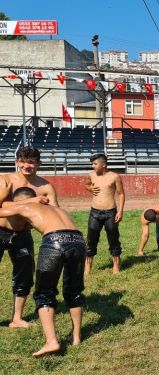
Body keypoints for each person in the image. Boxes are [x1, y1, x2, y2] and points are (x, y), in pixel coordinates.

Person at [0, 187, 86, 357]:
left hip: (54, 241)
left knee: (44, 293)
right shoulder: (56, 209)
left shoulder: (26, 206)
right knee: (74, 291)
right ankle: (76, 337)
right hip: (78, 240)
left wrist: (25, 203)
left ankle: (51, 342)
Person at [0, 146, 58, 329]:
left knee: (24, 277)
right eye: (23, 161)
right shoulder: (5, 181)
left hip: (23, 235)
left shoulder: (45, 187)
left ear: (39, 163)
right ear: (17, 162)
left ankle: (16, 318)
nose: (27, 165)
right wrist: (31, 201)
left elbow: (55, 212)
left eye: (31, 162)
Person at [84, 153, 125, 275]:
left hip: (110, 213)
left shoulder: (114, 176)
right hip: (94, 212)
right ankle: (87, 267)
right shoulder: (91, 175)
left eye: (95, 164)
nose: (93, 166)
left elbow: (121, 194)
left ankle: (116, 266)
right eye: (92, 164)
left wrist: (120, 211)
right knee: (91, 239)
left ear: (103, 165)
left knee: (113, 239)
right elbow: (86, 185)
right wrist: (90, 188)